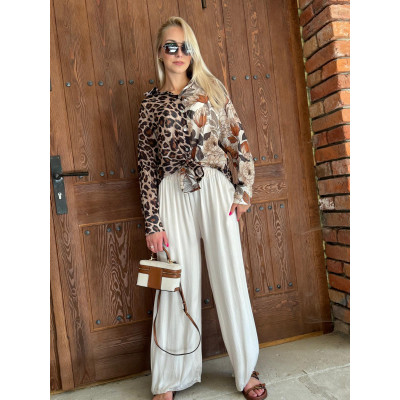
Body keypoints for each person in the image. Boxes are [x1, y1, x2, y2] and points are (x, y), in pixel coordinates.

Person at [137, 16, 268, 400]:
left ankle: (245, 368)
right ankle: (170, 377)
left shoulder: (211, 89)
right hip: (171, 192)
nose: (179, 53)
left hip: (213, 188)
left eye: (185, 46)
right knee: (176, 283)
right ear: (160, 53)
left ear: (193, 51)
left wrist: (243, 193)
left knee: (230, 278)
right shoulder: (150, 104)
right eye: (171, 46)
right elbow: (146, 165)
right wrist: (152, 221)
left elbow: (238, 141)